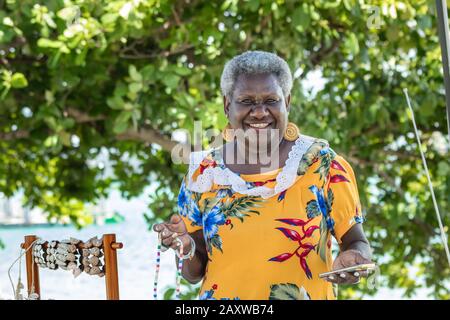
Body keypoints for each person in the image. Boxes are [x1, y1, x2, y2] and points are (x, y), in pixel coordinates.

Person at [153, 50, 372, 300]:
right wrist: (185, 246)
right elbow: (193, 272)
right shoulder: (204, 172)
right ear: (227, 105)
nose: (259, 112)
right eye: (246, 101)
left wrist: (355, 258)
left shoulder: (323, 165)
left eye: (271, 100)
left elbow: (356, 241)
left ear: (287, 102)